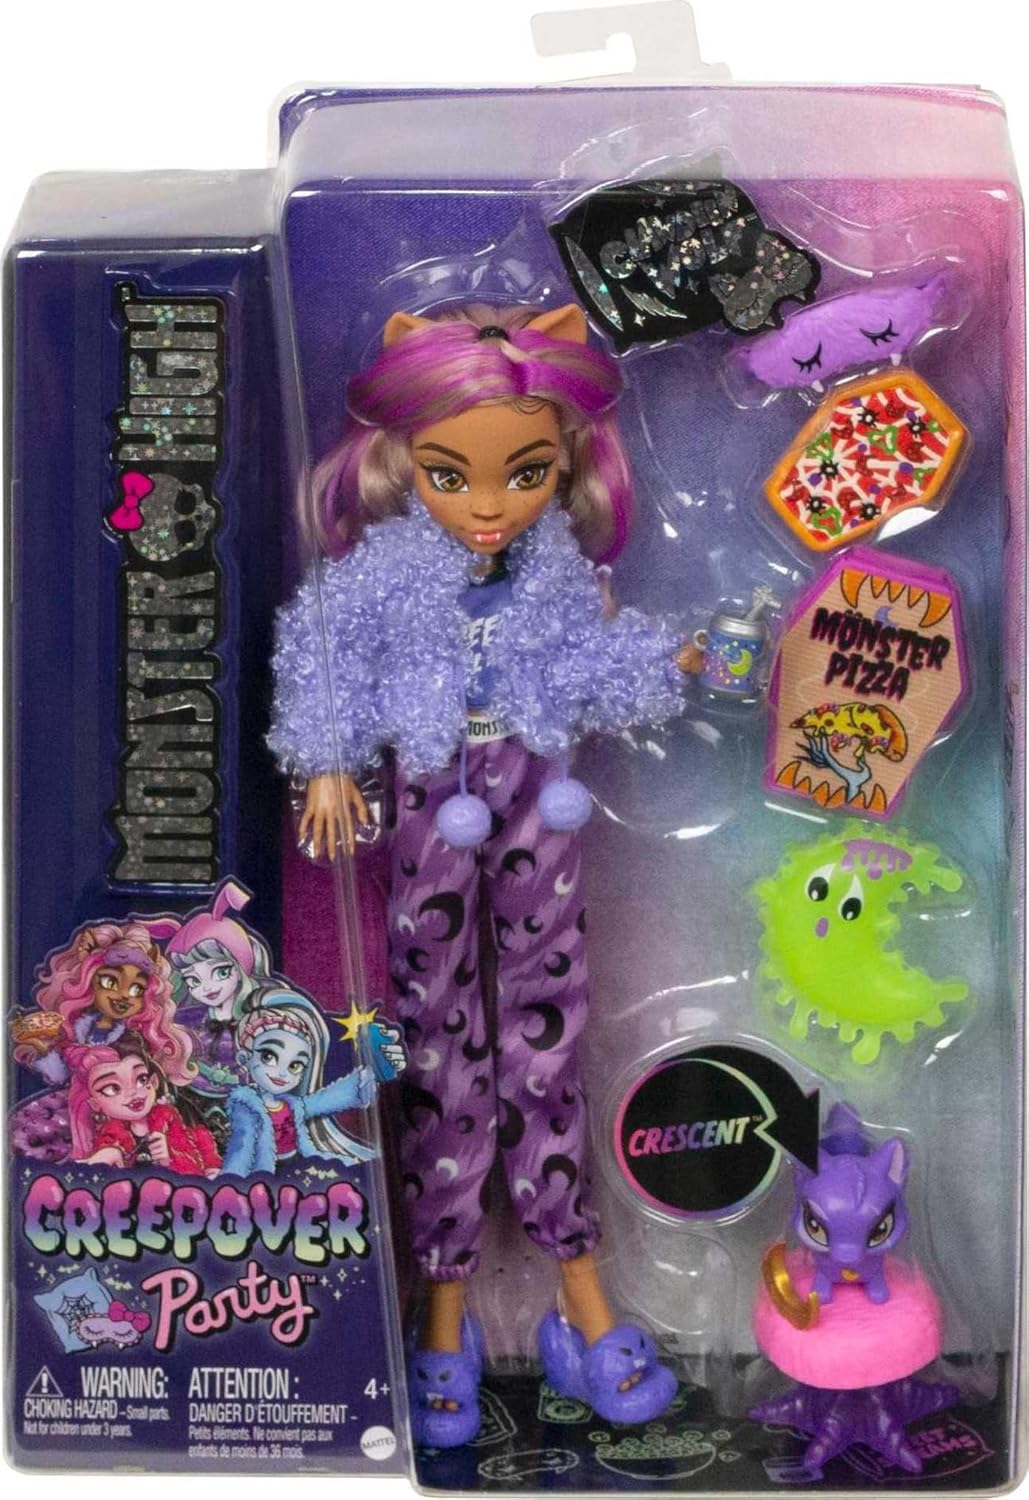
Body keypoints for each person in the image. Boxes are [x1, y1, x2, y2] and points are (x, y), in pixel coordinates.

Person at [269, 301, 694, 1444]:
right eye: (452, 473)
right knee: (438, 1045)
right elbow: (316, 650)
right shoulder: (383, 572)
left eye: (528, 472)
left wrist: (670, 658)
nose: (491, 502)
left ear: (566, 463)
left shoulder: (558, 571)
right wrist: (324, 761)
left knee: (547, 1032)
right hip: (428, 802)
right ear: (404, 461)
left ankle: (582, 1294)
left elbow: (597, 675)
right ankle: (444, 1311)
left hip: (536, 799)